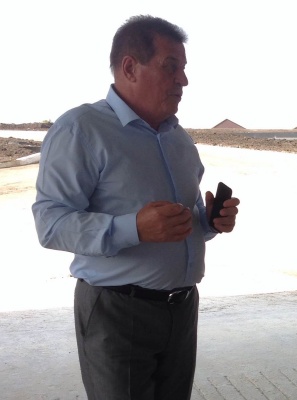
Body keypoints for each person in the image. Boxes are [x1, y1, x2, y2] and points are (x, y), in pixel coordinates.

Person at [32, 15, 240, 400]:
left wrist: (209, 221)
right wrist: (136, 228)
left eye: (184, 68)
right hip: (117, 311)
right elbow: (51, 223)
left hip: (182, 308)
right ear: (130, 67)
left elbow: (182, 220)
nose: (183, 80)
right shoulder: (81, 129)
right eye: (171, 67)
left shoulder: (179, 140)